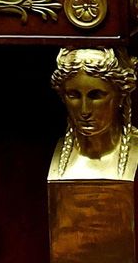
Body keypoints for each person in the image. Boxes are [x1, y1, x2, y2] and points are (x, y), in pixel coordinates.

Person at [50, 47, 137, 181]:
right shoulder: (57, 153)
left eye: (95, 95)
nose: (85, 111)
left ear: (121, 96)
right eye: (74, 95)